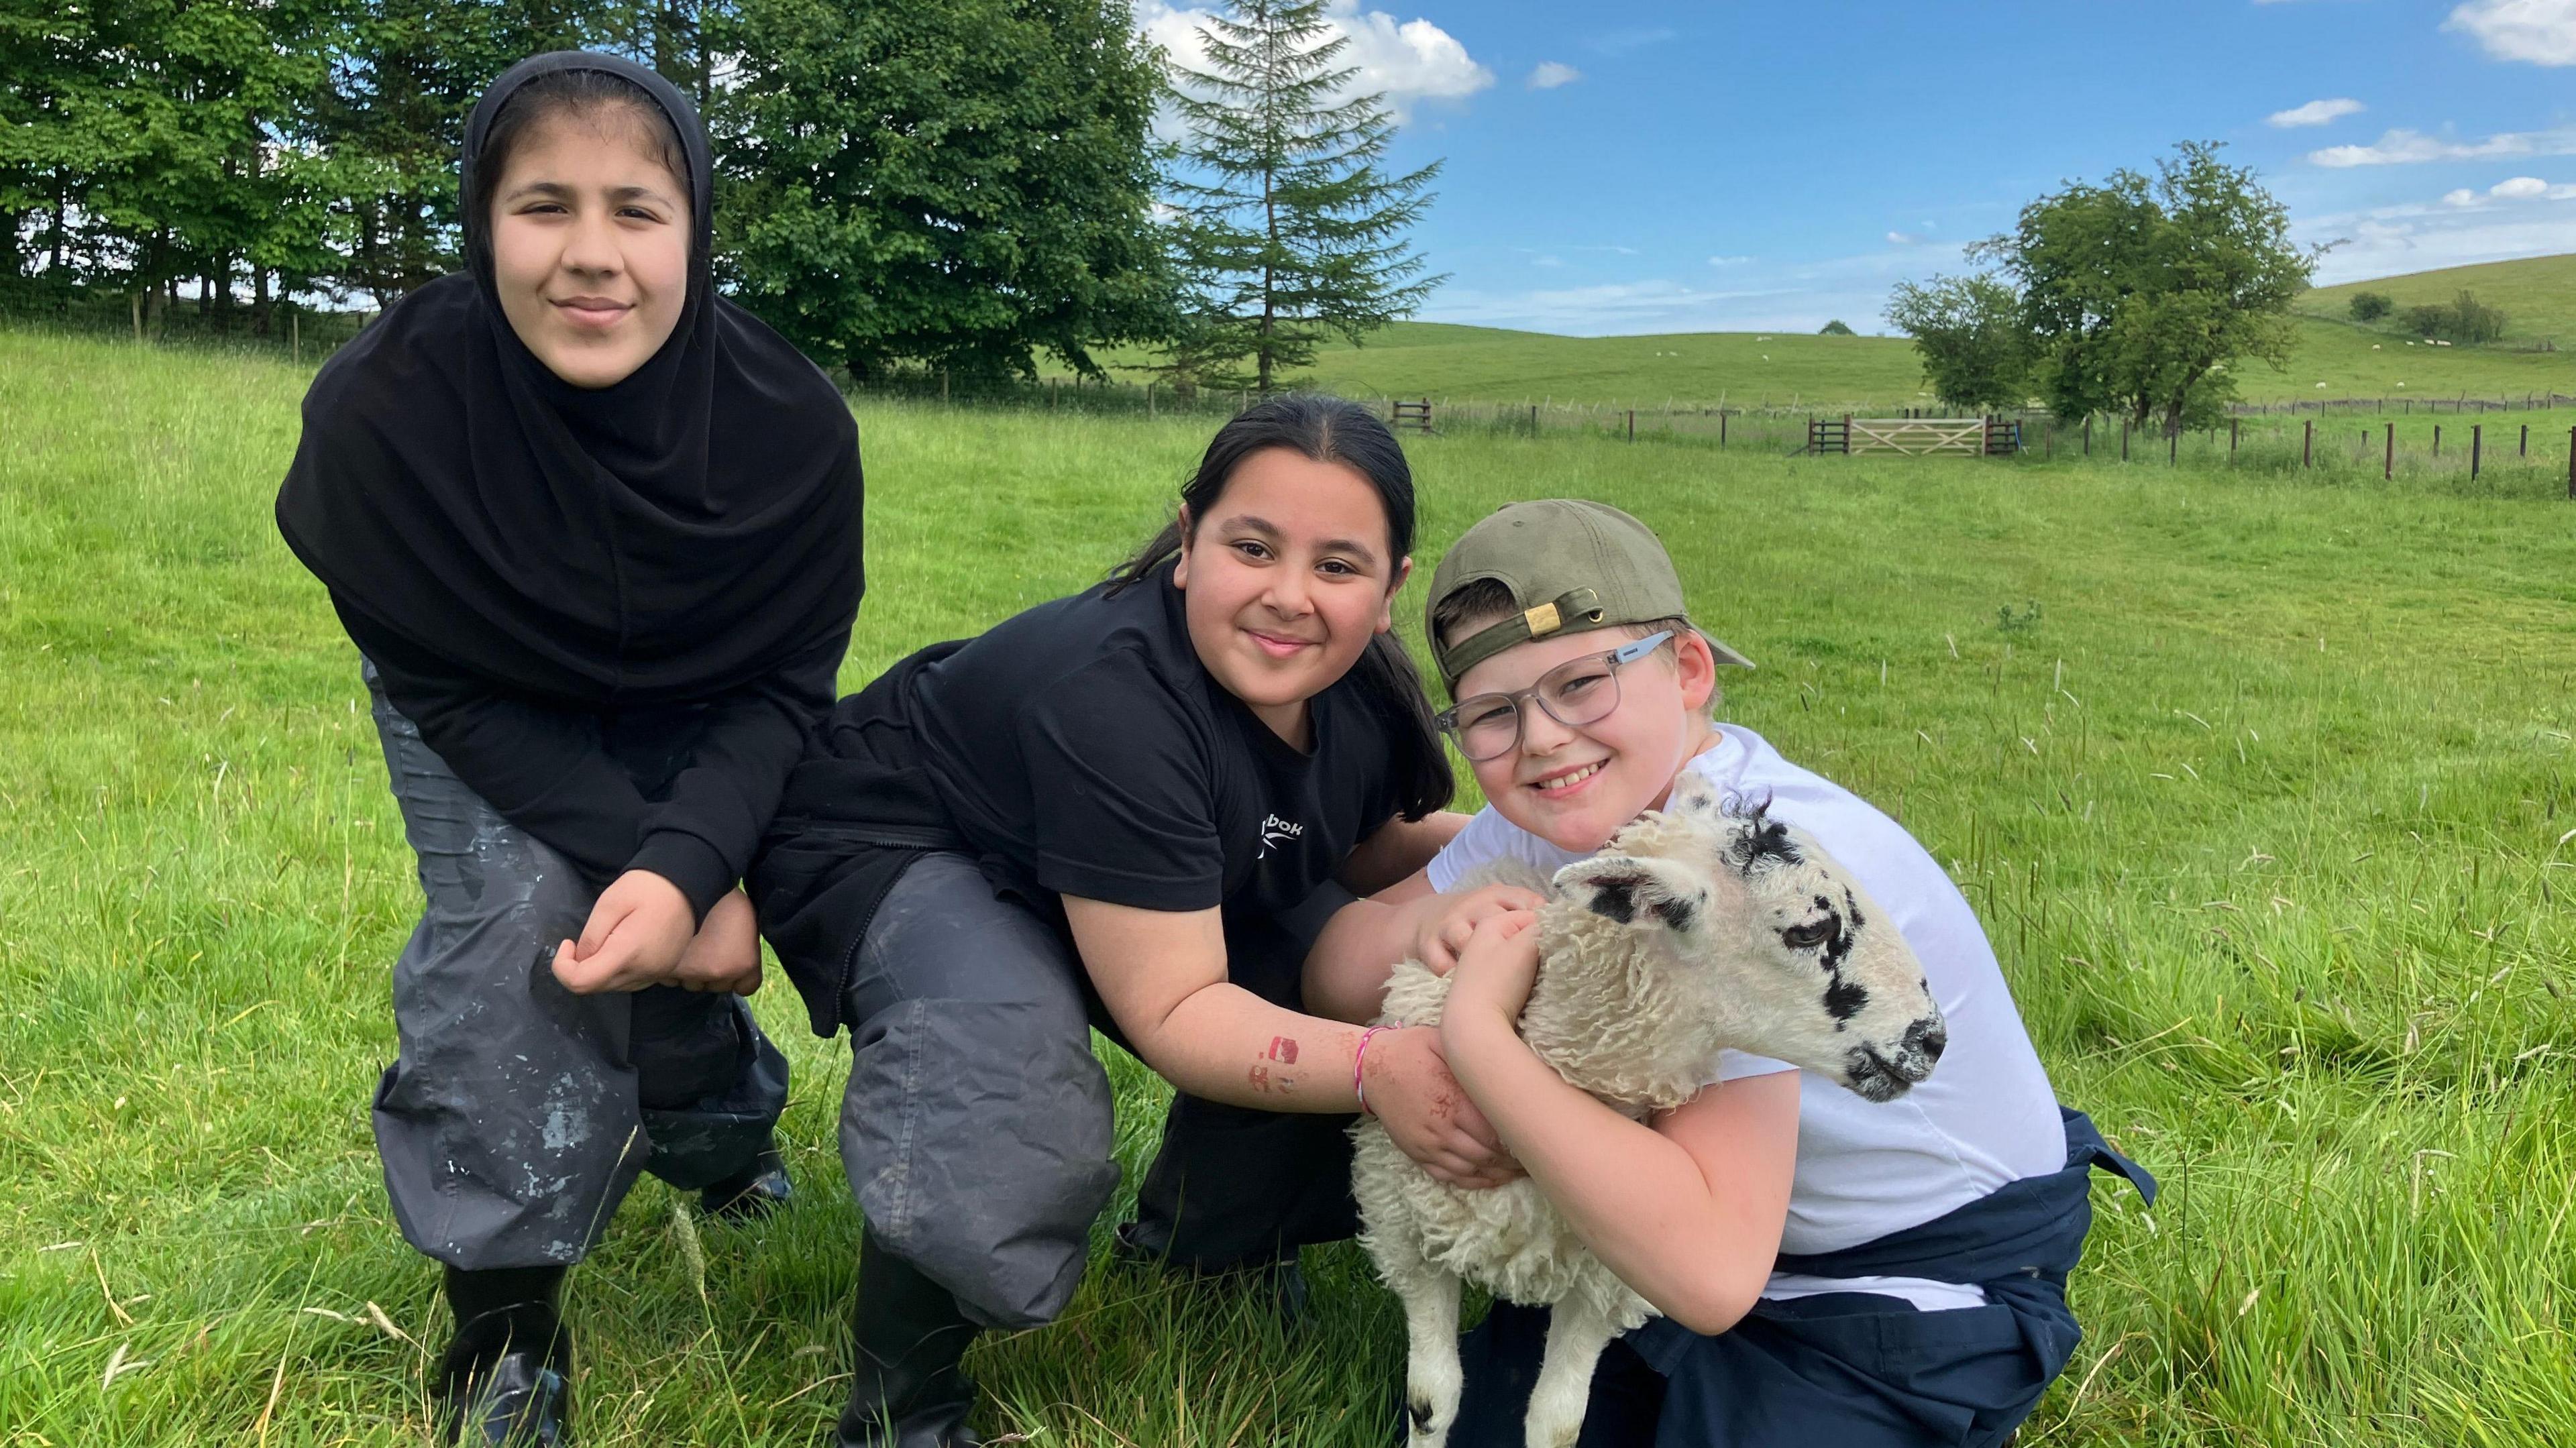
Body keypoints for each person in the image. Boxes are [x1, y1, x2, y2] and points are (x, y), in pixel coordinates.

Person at [275, 51, 863, 1447]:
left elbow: (787, 691)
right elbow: (444, 688)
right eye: (544, 207)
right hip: (475, 692)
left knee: (663, 928)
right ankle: (504, 1327)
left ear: (697, 229)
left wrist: (697, 857)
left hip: (717, 702)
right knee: (528, 927)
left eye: (636, 212)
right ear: (484, 226)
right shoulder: (382, 415)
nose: (590, 257)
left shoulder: (793, 432)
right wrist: (666, 875)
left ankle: (716, 1137)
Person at [751, 395, 1529, 1448]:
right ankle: (903, 1413)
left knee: (1368, 976)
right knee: (1001, 1067)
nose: (1290, 597)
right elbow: (1177, 1009)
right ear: (1187, 540)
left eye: (1338, 567)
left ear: (1389, 590)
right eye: (1252, 546)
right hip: (910, 839)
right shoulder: (1114, 698)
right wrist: (1380, 1068)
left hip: (1122, 864)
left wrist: (1539, 858)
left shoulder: (1357, 686)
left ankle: (1204, 1252)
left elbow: (1356, 843)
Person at [1397, 500, 2153, 1447]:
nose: (1543, 738)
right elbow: (1341, 955)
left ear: (1689, 671)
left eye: (1582, 683)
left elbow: (1712, 1274)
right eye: (1493, 715)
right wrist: (1432, 915)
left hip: (1899, 1269)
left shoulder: (1754, 872)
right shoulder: (1568, 809)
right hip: (1693, 1230)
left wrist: (1472, 1035)